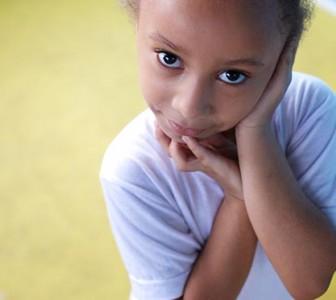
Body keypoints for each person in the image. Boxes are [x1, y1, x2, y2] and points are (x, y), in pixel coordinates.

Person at [100, 0, 336, 299]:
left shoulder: (308, 109)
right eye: (169, 58)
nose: (189, 106)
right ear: (138, 27)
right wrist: (238, 198)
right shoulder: (133, 169)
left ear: (282, 61)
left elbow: (309, 281)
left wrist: (255, 132)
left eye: (233, 75)